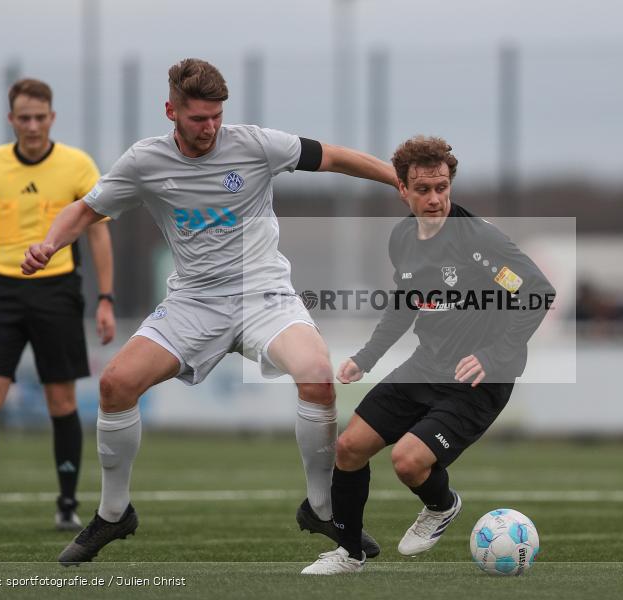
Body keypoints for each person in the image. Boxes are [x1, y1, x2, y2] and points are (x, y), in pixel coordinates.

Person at [20, 58, 397, 565]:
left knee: (316, 377)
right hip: (193, 302)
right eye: (199, 118)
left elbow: (333, 157)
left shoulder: (257, 144)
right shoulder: (144, 162)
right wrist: (48, 244)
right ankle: (114, 514)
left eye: (217, 116)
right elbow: (87, 209)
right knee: (115, 385)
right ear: (171, 110)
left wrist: (397, 179)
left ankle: (322, 507)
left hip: (265, 296)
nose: (211, 128)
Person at [302, 136, 556, 574]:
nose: (435, 198)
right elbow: (406, 304)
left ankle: (442, 505)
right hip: (426, 365)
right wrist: (366, 357)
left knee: (408, 461)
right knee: (348, 447)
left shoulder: (479, 241)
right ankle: (349, 553)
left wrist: (495, 354)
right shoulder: (402, 239)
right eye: (423, 189)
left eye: (442, 187)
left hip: (478, 380)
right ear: (402, 189)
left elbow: (536, 292)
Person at [0, 78, 116, 532]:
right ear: (11, 120)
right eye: (23, 117)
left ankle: (67, 502)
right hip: (4, 290)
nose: (31, 125)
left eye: (39, 117)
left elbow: (98, 232)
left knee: (61, 399)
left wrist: (106, 299)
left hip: (58, 290)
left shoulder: (77, 165)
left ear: (52, 118)